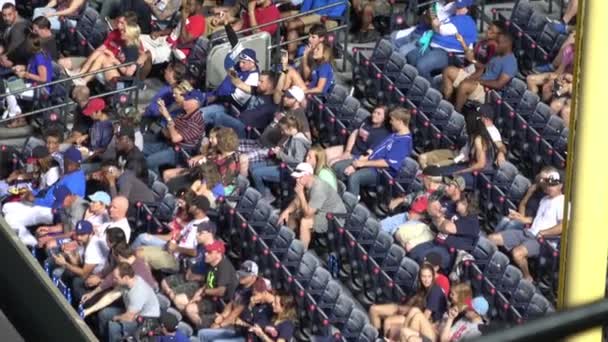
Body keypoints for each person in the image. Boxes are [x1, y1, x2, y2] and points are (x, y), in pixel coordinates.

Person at [488, 167, 564, 281]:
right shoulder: (544, 199)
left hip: (542, 242)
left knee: (517, 253)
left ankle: (528, 278)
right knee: (491, 238)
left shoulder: (562, 202)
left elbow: (563, 226)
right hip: (527, 232)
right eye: (549, 184)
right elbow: (538, 219)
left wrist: (544, 232)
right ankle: (495, 265)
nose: (550, 187)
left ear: (560, 186)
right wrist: (521, 218)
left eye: (553, 184)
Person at [2, 146, 86, 247]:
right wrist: (33, 192)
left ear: (69, 163)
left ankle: (32, 243)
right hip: (45, 203)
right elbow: (50, 189)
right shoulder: (71, 173)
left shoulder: (75, 183)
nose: (63, 162)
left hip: (53, 212)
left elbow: (59, 204)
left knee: (10, 219)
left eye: (65, 160)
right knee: (6, 207)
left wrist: (35, 200)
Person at [333, 107, 413, 197]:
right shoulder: (394, 134)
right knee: (337, 166)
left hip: (380, 172)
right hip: (368, 162)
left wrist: (362, 164)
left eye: (392, 120)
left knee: (354, 177)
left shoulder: (403, 142)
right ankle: (335, 194)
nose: (390, 122)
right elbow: (374, 151)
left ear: (400, 122)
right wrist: (359, 161)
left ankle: (351, 204)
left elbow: (387, 163)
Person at [196, 261, 273, 341]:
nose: (241, 277)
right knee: (202, 331)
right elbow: (231, 303)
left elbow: (236, 312)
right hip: (235, 326)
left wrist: (220, 325)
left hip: (241, 329)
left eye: (244, 275)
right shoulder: (241, 285)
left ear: (253, 277)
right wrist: (221, 316)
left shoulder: (252, 292)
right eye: (241, 274)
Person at [404, 0, 477, 81]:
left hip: (447, 53)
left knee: (421, 66)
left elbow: (439, 28)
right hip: (433, 46)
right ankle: (414, 84)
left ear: (468, 9)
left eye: (460, 7)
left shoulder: (466, 21)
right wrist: (432, 13)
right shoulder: (454, 17)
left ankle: (430, 91)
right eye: (457, 6)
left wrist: (432, 13)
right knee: (411, 57)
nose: (457, 9)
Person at [279, 162, 347, 249]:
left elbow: (308, 214)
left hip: (334, 217)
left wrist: (301, 194)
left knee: (305, 222)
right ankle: (290, 241)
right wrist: (287, 211)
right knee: (293, 213)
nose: (297, 180)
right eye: (296, 177)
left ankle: (301, 253)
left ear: (308, 175)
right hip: (320, 211)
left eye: (300, 177)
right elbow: (297, 201)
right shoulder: (306, 183)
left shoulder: (318, 188)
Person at [80, 243, 158, 317]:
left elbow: (112, 286)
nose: (115, 259)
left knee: (104, 311)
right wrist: (92, 294)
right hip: (130, 298)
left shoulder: (135, 274)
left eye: (115, 257)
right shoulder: (128, 264)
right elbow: (111, 283)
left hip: (139, 308)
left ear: (119, 257)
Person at [410, 193, 480, 272]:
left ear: (466, 205)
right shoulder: (455, 212)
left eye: (460, 202)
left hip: (449, 251)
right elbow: (438, 222)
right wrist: (439, 217)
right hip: (436, 242)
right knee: (413, 253)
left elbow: (448, 228)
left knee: (423, 259)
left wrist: (441, 218)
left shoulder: (472, 222)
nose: (457, 203)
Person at [138, 196, 211, 271]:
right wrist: (172, 242)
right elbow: (179, 236)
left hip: (178, 261)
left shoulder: (205, 226)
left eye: (193, 204)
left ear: (198, 210)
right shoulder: (194, 221)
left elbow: (196, 253)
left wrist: (176, 248)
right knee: (139, 250)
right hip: (172, 251)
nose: (190, 205)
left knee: (140, 254)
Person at [144, 85, 206, 175]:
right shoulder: (183, 113)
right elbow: (168, 133)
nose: (184, 100)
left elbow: (175, 138)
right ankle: (153, 173)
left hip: (179, 153)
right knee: (141, 148)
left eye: (187, 99)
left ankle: (154, 181)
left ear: (194, 103)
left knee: (149, 161)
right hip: (168, 143)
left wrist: (167, 117)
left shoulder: (196, 122)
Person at [249, 115, 311, 203]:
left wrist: (280, 154)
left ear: (290, 128)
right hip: (281, 163)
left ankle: (263, 198)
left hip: (289, 171)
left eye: (283, 130)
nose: (281, 132)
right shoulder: (291, 137)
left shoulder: (298, 141)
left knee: (256, 173)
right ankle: (267, 191)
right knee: (252, 166)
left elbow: (298, 160)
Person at [378, 263, 447, 339]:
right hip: (416, 317)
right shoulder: (423, 289)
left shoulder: (435, 291)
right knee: (388, 321)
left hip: (430, 327)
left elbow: (426, 316)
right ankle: (384, 338)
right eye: (423, 276)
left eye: (429, 276)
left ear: (433, 277)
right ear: (420, 277)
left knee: (397, 328)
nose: (426, 279)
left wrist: (406, 323)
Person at [451, 32, 517, 111]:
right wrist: (470, 77)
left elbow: (499, 84)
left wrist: (479, 81)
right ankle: (447, 102)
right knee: (449, 71)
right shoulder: (497, 55)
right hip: (479, 83)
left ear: (507, 44)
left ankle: (456, 114)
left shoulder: (510, 63)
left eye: (498, 42)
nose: (495, 44)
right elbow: (483, 70)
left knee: (464, 85)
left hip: (489, 92)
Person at [441, 21, 505, 102]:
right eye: (489, 28)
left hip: (482, 82)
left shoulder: (496, 49)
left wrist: (473, 62)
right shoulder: (482, 42)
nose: (488, 32)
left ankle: (457, 112)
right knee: (447, 71)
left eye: (492, 32)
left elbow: (486, 69)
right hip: (471, 72)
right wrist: (462, 42)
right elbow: (471, 55)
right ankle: (446, 103)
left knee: (463, 85)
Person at [203, 71, 278, 138]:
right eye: (258, 80)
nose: (258, 83)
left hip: (247, 130)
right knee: (210, 115)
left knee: (218, 116)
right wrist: (233, 75)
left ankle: (215, 142)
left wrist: (285, 70)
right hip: (238, 120)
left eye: (261, 81)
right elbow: (239, 84)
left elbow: (280, 92)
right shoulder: (257, 90)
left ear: (270, 85)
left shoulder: (274, 101)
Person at [99, 262, 161, 342]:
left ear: (126, 278)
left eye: (116, 278)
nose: (114, 280)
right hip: (131, 311)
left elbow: (129, 318)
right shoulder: (128, 282)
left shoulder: (138, 292)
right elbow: (111, 296)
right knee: (104, 314)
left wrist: (117, 318)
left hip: (145, 320)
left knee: (113, 327)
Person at [161, 221, 217, 307]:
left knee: (174, 295)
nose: (197, 235)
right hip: (188, 275)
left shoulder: (214, 252)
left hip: (198, 283)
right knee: (164, 283)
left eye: (200, 233)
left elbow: (214, 277)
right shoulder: (200, 245)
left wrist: (200, 277)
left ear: (209, 234)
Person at [183, 240, 238, 328]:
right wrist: (199, 293)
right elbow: (208, 282)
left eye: (209, 252)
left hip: (220, 303)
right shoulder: (211, 263)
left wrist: (204, 292)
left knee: (190, 309)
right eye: (206, 251)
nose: (206, 254)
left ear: (218, 254)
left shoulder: (224, 267)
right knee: (183, 302)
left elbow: (221, 291)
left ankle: (203, 328)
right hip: (210, 296)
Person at [435, 112, 497, 189]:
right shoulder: (472, 138)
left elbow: (481, 164)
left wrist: (462, 171)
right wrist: (450, 162)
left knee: (446, 176)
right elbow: (463, 156)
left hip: (480, 176)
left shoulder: (479, 140)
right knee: (443, 170)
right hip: (469, 168)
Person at [4, 33, 54, 126]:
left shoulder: (40, 58)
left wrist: (26, 74)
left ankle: (17, 117)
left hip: (41, 89)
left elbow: (43, 78)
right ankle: (19, 116)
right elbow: (33, 68)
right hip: (33, 85)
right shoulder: (36, 53)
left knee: (9, 91)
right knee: (9, 85)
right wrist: (22, 67)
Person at [52, 220, 108, 300]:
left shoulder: (93, 248)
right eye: (78, 234)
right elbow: (77, 263)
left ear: (91, 233)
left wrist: (65, 264)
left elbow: (83, 274)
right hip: (89, 272)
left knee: (76, 281)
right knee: (65, 272)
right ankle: (62, 296)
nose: (79, 237)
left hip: (100, 279)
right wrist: (69, 255)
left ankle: (81, 304)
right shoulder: (82, 242)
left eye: (82, 235)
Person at [140, 0, 206, 65]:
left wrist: (183, 19)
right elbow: (175, 30)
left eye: (190, 4)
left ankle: (139, 75)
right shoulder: (189, 15)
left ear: (198, 7)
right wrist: (160, 33)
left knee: (148, 55)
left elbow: (184, 40)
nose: (186, 6)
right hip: (167, 40)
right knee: (137, 39)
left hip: (175, 49)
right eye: (187, 3)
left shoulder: (199, 21)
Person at [76, 21, 142, 85]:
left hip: (120, 81)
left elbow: (128, 73)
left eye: (124, 31)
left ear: (130, 34)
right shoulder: (124, 43)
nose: (121, 32)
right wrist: (110, 54)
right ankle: (82, 75)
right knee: (100, 53)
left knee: (102, 58)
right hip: (114, 69)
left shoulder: (132, 50)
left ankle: (84, 80)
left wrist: (115, 61)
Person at [324, 105, 391, 166]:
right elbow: (355, 133)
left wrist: (355, 162)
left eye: (378, 114)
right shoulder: (368, 119)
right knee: (324, 154)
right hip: (350, 148)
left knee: (332, 162)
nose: (374, 115)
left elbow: (369, 153)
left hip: (358, 156)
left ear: (384, 118)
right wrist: (347, 151)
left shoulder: (383, 134)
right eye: (374, 112)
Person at [36, 185, 89, 249]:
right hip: (68, 232)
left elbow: (72, 233)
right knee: (40, 232)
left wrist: (50, 237)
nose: (60, 205)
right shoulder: (66, 203)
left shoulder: (79, 209)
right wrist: (49, 229)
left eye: (61, 201)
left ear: (68, 197)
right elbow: (65, 224)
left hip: (78, 238)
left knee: (50, 244)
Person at [0, 3, 29, 67]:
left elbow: (13, 49)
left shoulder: (19, 27)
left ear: (16, 13)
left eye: (10, 14)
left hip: (18, 63)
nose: (7, 18)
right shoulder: (9, 23)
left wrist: (3, 56)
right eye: (4, 15)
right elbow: (3, 42)